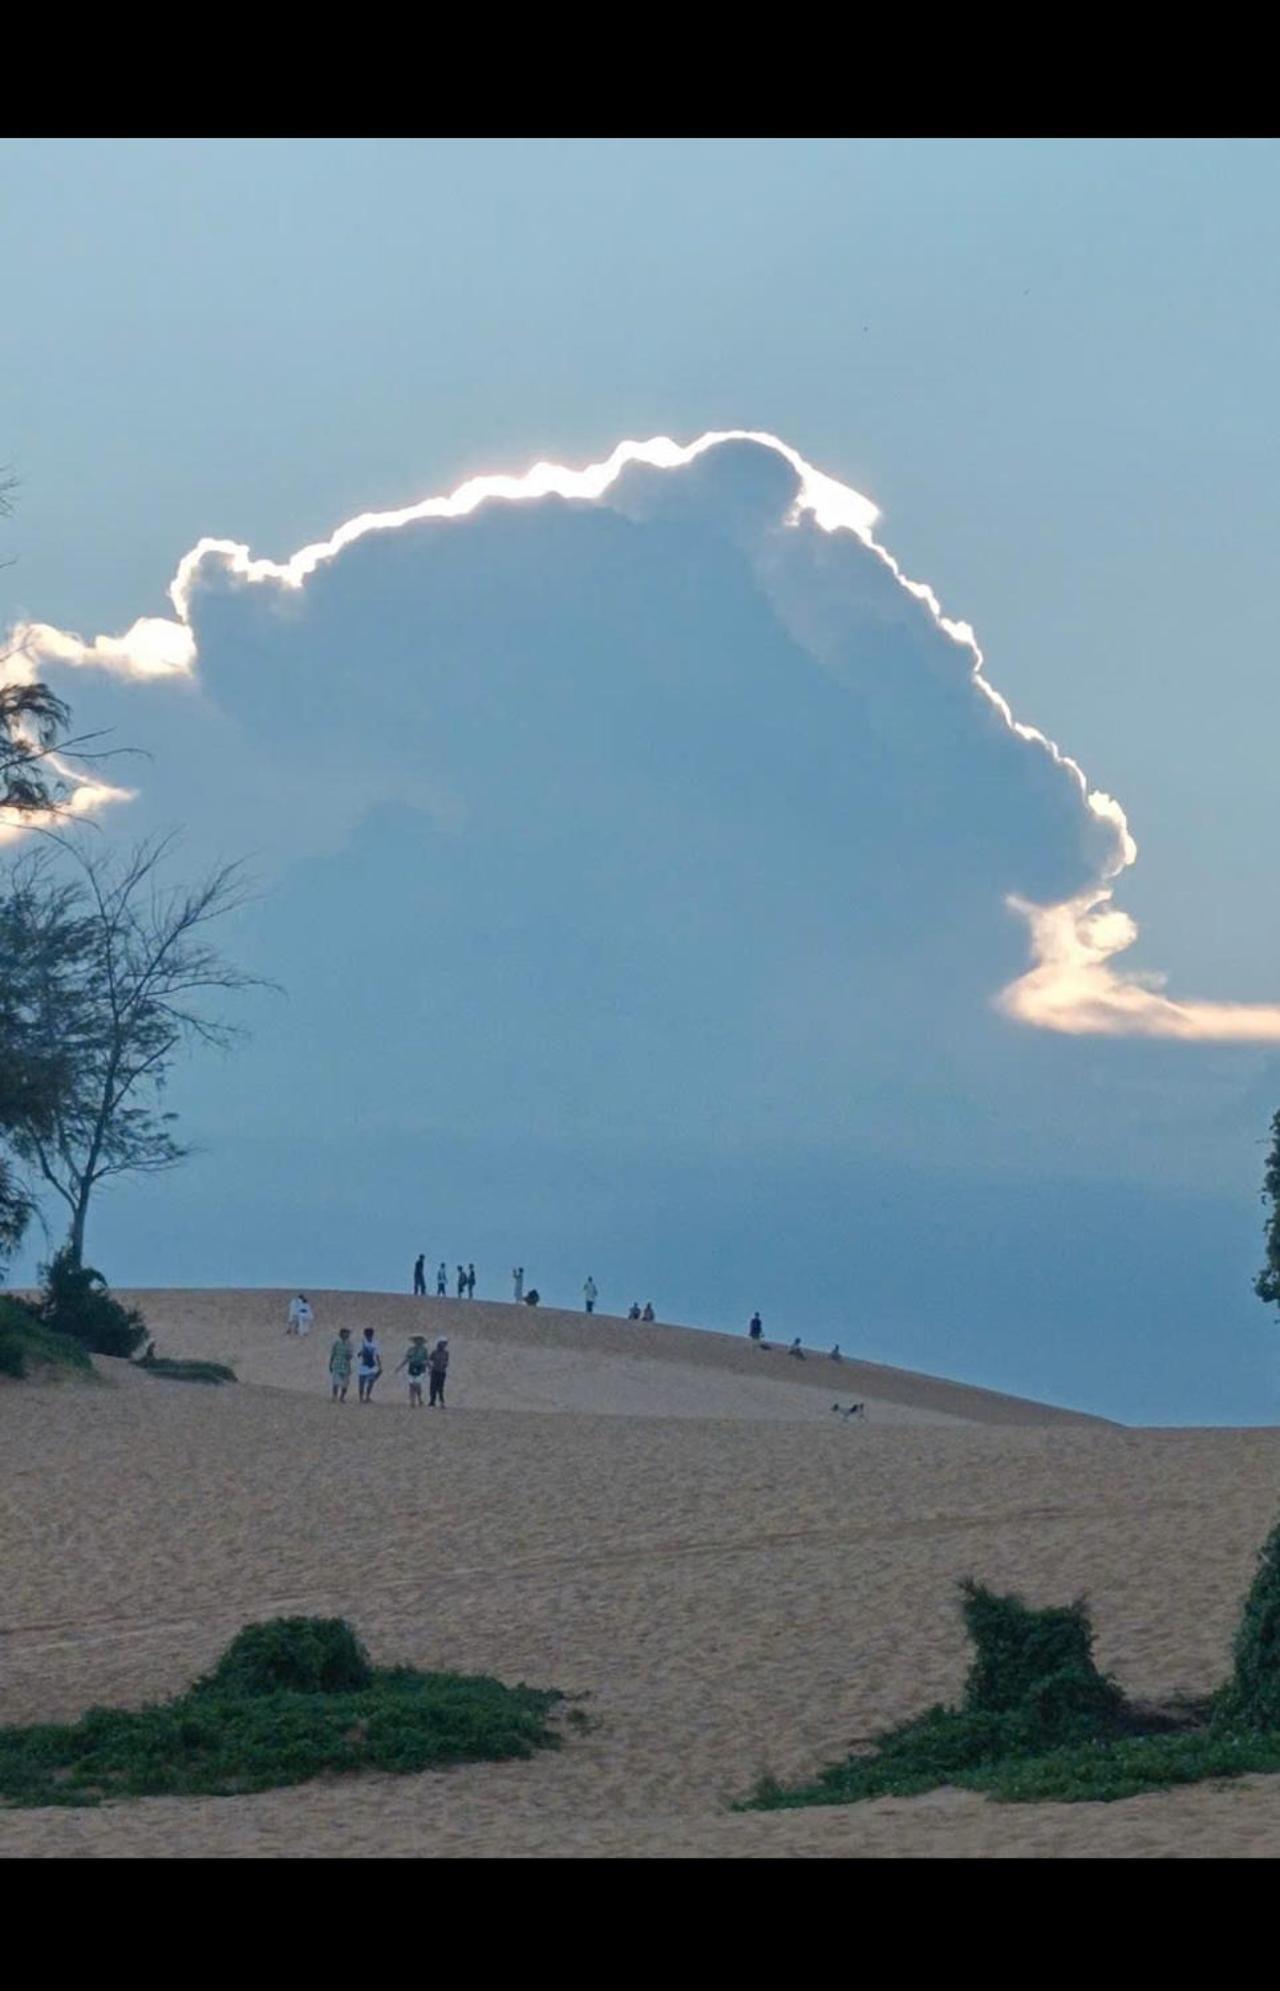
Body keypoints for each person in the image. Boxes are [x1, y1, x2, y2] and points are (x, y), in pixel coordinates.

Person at [397, 1333, 429, 1407]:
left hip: (420, 1368)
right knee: (411, 1385)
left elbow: (426, 1360)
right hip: (412, 1367)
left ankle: (419, 1398)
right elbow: (406, 1359)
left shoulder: (424, 1350)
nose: (418, 1342)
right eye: (416, 1340)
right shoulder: (410, 1350)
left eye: (419, 1340)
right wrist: (399, 1367)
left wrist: (430, 1368)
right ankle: (412, 1401)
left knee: (417, 1384)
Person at [357, 1328, 382, 1403]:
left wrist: (379, 1365)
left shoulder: (375, 1343)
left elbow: (377, 1355)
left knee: (371, 1381)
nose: (369, 1336)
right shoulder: (362, 1342)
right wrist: (362, 1352)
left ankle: (367, 1396)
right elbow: (358, 1354)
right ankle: (361, 1397)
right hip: (363, 1364)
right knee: (362, 1382)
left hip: (372, 1364)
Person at [328, 1327, 353, 1402]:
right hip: (337, 1364)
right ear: (342, 1334)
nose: (348, 1335)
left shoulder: (349, 1344)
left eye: (348, 1333)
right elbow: (333, 1354)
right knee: (336, 1382)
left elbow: (350, 1356)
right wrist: (330, 1364)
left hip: (346, 1365)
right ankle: (334, 1396)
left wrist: (349, 1356)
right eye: (346, 1333)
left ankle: (342, 1397)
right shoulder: (336, 1342)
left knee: (345, 1384)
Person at [428, 1336, 450, 1407]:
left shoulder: (446, 1353)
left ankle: (441, 1401)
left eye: (445, 1343)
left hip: (442, 1372)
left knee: (440, 1387)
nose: (443, 1345)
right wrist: (430, 1368)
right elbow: (429, 1360)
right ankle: (432, 1401)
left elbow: (446, 1361)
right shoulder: (434, 1352)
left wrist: (445, 1365)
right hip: (434, 1371)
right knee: (433, 1387)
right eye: (442, 1343)